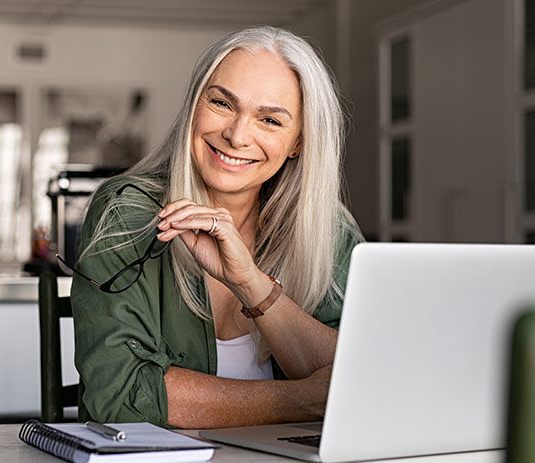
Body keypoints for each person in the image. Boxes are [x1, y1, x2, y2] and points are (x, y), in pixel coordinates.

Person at [64, 25, 363, 429]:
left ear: (299, 143)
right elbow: (121, 397)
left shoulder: (328, 230)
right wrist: (301, 399)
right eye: (222, 103)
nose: (237, 135)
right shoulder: (129, 210)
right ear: (194, 106)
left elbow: (363, 382)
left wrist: (251, 284)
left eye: (270, 120)